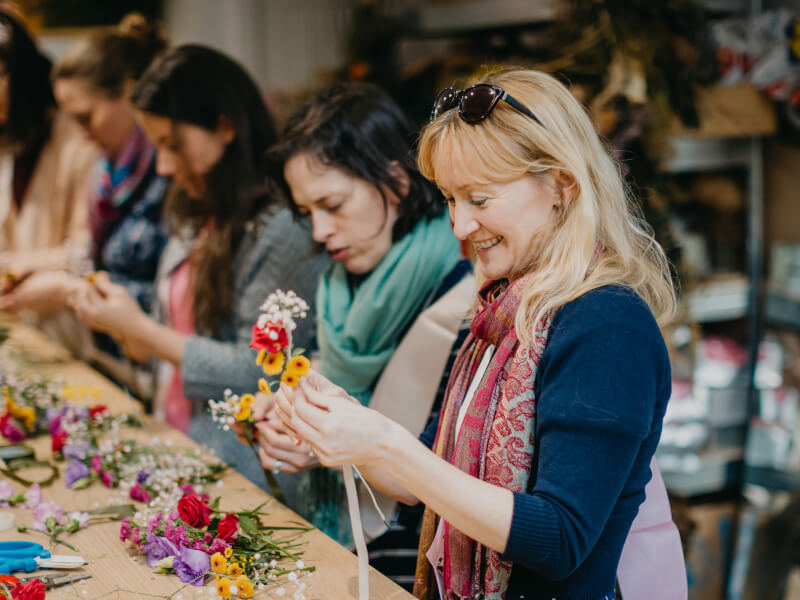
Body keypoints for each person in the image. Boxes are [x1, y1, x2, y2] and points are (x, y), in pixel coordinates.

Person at [273, 69, 685, 599]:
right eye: (450, 199)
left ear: (562, 186)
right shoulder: (505, 310)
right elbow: (429, 482)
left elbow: (561, 540)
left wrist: (388, 445)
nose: (460, 226)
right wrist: (342, 428)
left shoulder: (605, 322)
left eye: (480, 199)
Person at [71, 45, 328, 489]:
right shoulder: (196, 210)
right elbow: (174, 331)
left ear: (224, 126)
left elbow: (260, 370)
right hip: (179, 445)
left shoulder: (281, 227)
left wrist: (142, 331)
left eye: (173, 146)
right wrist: (127, 325)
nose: (165, 167)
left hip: (243, 473)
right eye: (156, 149)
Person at [251, 82, 475, 576]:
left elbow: (457, 472)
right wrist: (286, 412)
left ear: (395, 181)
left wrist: (329, 444)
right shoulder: (338, 287)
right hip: (342, 552)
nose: (319, 232)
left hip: (420, 566)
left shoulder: (469, 291)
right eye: (306, 213)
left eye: (331, 205)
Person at [1, 14, 169, 375]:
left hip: (142, 360)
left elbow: (151, 286)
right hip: (119, 355)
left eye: (84, 117)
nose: (81, 133)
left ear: (128, 92)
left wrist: (65, 290)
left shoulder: (160, 171)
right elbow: (93, 255)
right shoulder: (112, 173)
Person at [0, 9, 97, 291]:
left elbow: (86, 249)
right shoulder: (8, 139)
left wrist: (15, 268)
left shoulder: (78, 137)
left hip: (64, 312)